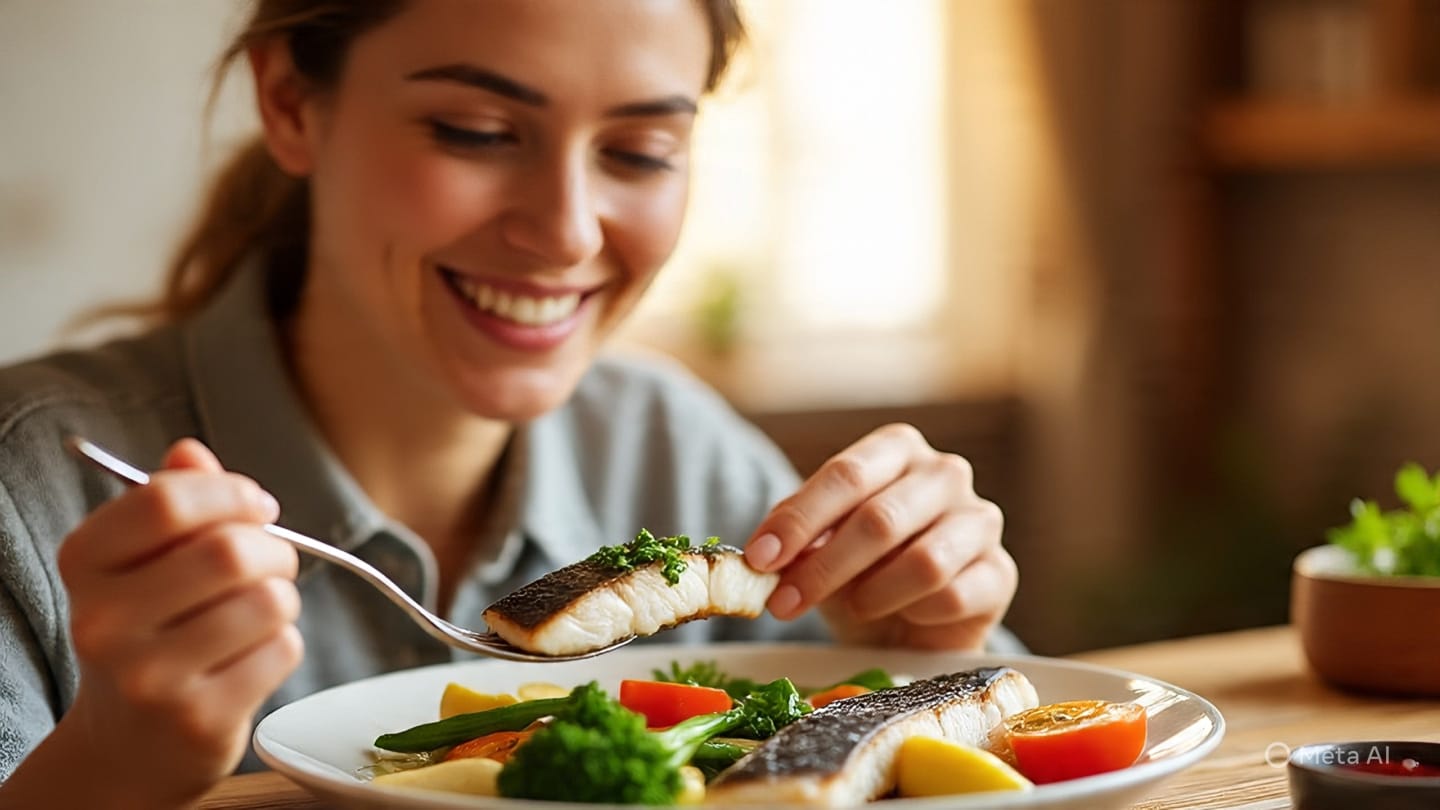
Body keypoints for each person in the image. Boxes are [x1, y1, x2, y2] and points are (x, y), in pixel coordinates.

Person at [0, 1, 1020, 806]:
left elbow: (1045, 750)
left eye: (640, 152)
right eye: (476, 131)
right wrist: (103, 773)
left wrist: (930, 652)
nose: (569, 230)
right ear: (291, 104)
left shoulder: (680, 450)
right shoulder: (29, 491)